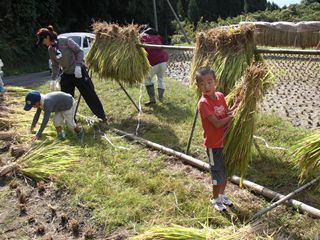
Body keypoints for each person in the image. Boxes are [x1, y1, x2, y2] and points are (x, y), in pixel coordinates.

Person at [36, 26, 108, 122]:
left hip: (78, 71)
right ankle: (71, 120)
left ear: (47, 37)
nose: (43, 43)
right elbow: (55, 65)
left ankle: (101, 116)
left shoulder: (65, 41)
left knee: (89, 94)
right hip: (66, 74)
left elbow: (79, 51)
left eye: (43, 41)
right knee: (66, 98)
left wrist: (78, 65)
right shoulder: (50, 50)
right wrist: (54, 79)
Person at [196, 67, 238, 212]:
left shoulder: (220, 96)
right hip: (213, 145)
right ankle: (215, 199)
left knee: (225, 171)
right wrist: (231, 117)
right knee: (217, 173)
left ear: (216, 82)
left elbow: (226, 113)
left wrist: (236, 108)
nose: (206, 86)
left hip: (224, 141)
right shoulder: (203, 103)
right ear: (198, 86)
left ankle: (221, 195)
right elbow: (218, 123)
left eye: (209, 82)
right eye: (202, 84)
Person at [139, 25, 168, 106]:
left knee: (147, 79)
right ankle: (161, 98)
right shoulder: (157, 36)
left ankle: (152, 99)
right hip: (163, 61)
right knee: (160, 79)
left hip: (153, 62)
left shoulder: (142, 37)